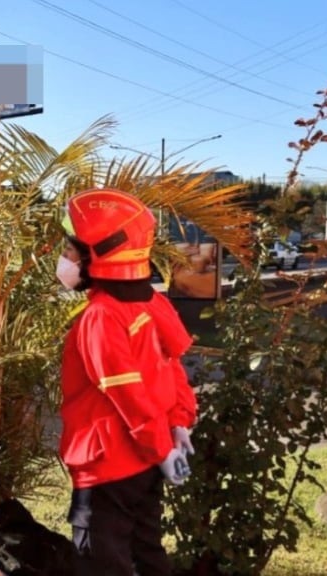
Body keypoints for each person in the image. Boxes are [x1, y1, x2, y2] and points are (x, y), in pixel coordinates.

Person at [55, 188, 198, 576]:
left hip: (107, 466)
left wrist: (161, 447)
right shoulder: (152, 302)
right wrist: (177, 427)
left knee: (102, 561)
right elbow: (173, 370)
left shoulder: (101, 317)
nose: (63, 260)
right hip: (146, 462)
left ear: (97, 255)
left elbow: (127, 393)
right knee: (146, 550)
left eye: (70, 252)